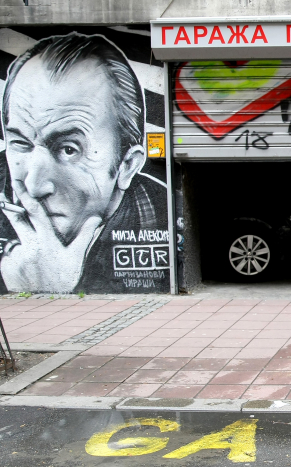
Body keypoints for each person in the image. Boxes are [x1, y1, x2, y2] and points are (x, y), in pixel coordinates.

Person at [0, 33, 166, 294]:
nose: (33, 187)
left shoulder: (160, 214)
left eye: (69, 149)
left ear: (127, 166)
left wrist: (48, 287)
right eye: (21, 144)